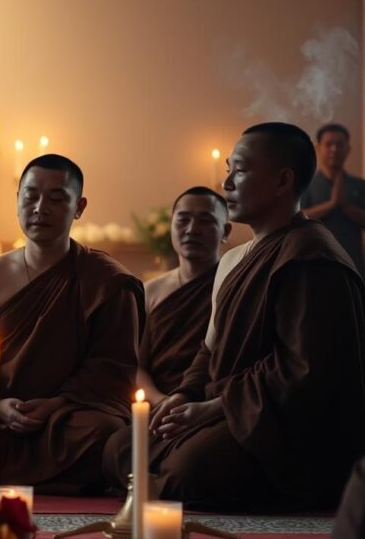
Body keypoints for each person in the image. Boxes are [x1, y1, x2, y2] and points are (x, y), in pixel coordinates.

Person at [104, 122, 365, 510]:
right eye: (228, 168)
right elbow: (208, 353)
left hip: (281, 424)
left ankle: (173, 483)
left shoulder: (311, 256)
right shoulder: (234, 259)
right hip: (234, 407)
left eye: (239, 170)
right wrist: (183, 395)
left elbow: (305, 372)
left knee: (189, 468)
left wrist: (212, 408)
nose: (226, 182)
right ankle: (166, 481)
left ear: (282, 181)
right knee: (120, 446)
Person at [0, 154, 143, 494]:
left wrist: (56, 404)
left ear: (79, 207)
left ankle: (1, 472)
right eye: (30, 196)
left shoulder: (106, 280)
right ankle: (62, 480)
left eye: (57, 198)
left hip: (69, 416)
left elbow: (111, 371)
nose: (40, 207)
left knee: (107, 433)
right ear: (17, 200)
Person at [137, 187, 230, 405]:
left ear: (225, 231)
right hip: (158, 404)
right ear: (170, 226)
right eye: (183, 220)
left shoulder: (234, 284)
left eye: (205, 221)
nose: (191, 229)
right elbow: (137, 367)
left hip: (211, 404)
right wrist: (161, 402)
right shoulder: (149, 292)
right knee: (118, 441)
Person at [301, 123, 365, 273]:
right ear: (318, 148)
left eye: (339, 145)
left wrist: (346, 206)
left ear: (347, 149)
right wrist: (331, 204)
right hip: (314, 264)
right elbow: (297, 219)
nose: (334, 149)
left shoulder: (359, 185)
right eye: (329, 144)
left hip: (353, 264)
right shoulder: (306, 184)